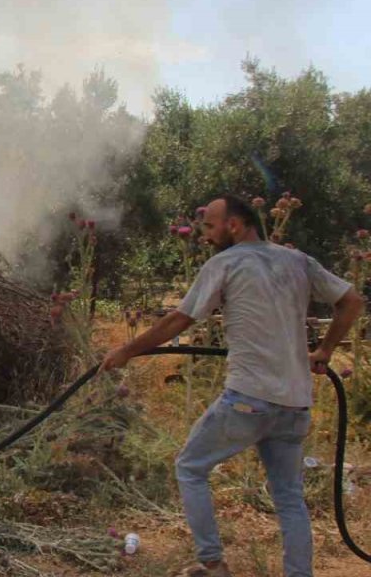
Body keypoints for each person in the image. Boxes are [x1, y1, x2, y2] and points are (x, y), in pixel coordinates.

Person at [101, 195, 364, 577]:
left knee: (190, 466)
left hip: (249, 399)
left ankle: (213, 563)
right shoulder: (298, 261)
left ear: (235, 225)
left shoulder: (225, 263)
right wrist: (325, 349)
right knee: (290, 498)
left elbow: (179, 320)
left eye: (210, 226)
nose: (205, 235)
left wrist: (126, 350)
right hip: (295, 404)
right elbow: (352, 300)